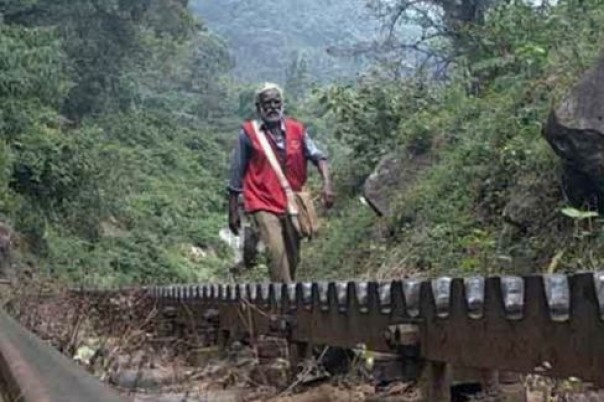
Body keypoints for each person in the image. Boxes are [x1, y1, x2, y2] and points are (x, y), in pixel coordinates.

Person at [227, 83, 334, 283]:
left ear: (283, 105)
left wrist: (327, 184)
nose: (272, 107)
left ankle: (286, 292)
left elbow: (319, 157)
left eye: (276, 102)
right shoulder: (248, 133)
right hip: (261, 201)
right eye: (267, 103)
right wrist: (232, 209)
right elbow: (236, 171)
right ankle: (285, 303)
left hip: (292, 201)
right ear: (258, 108)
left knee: (293, 254)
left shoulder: (297, 130)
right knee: (275, 251)